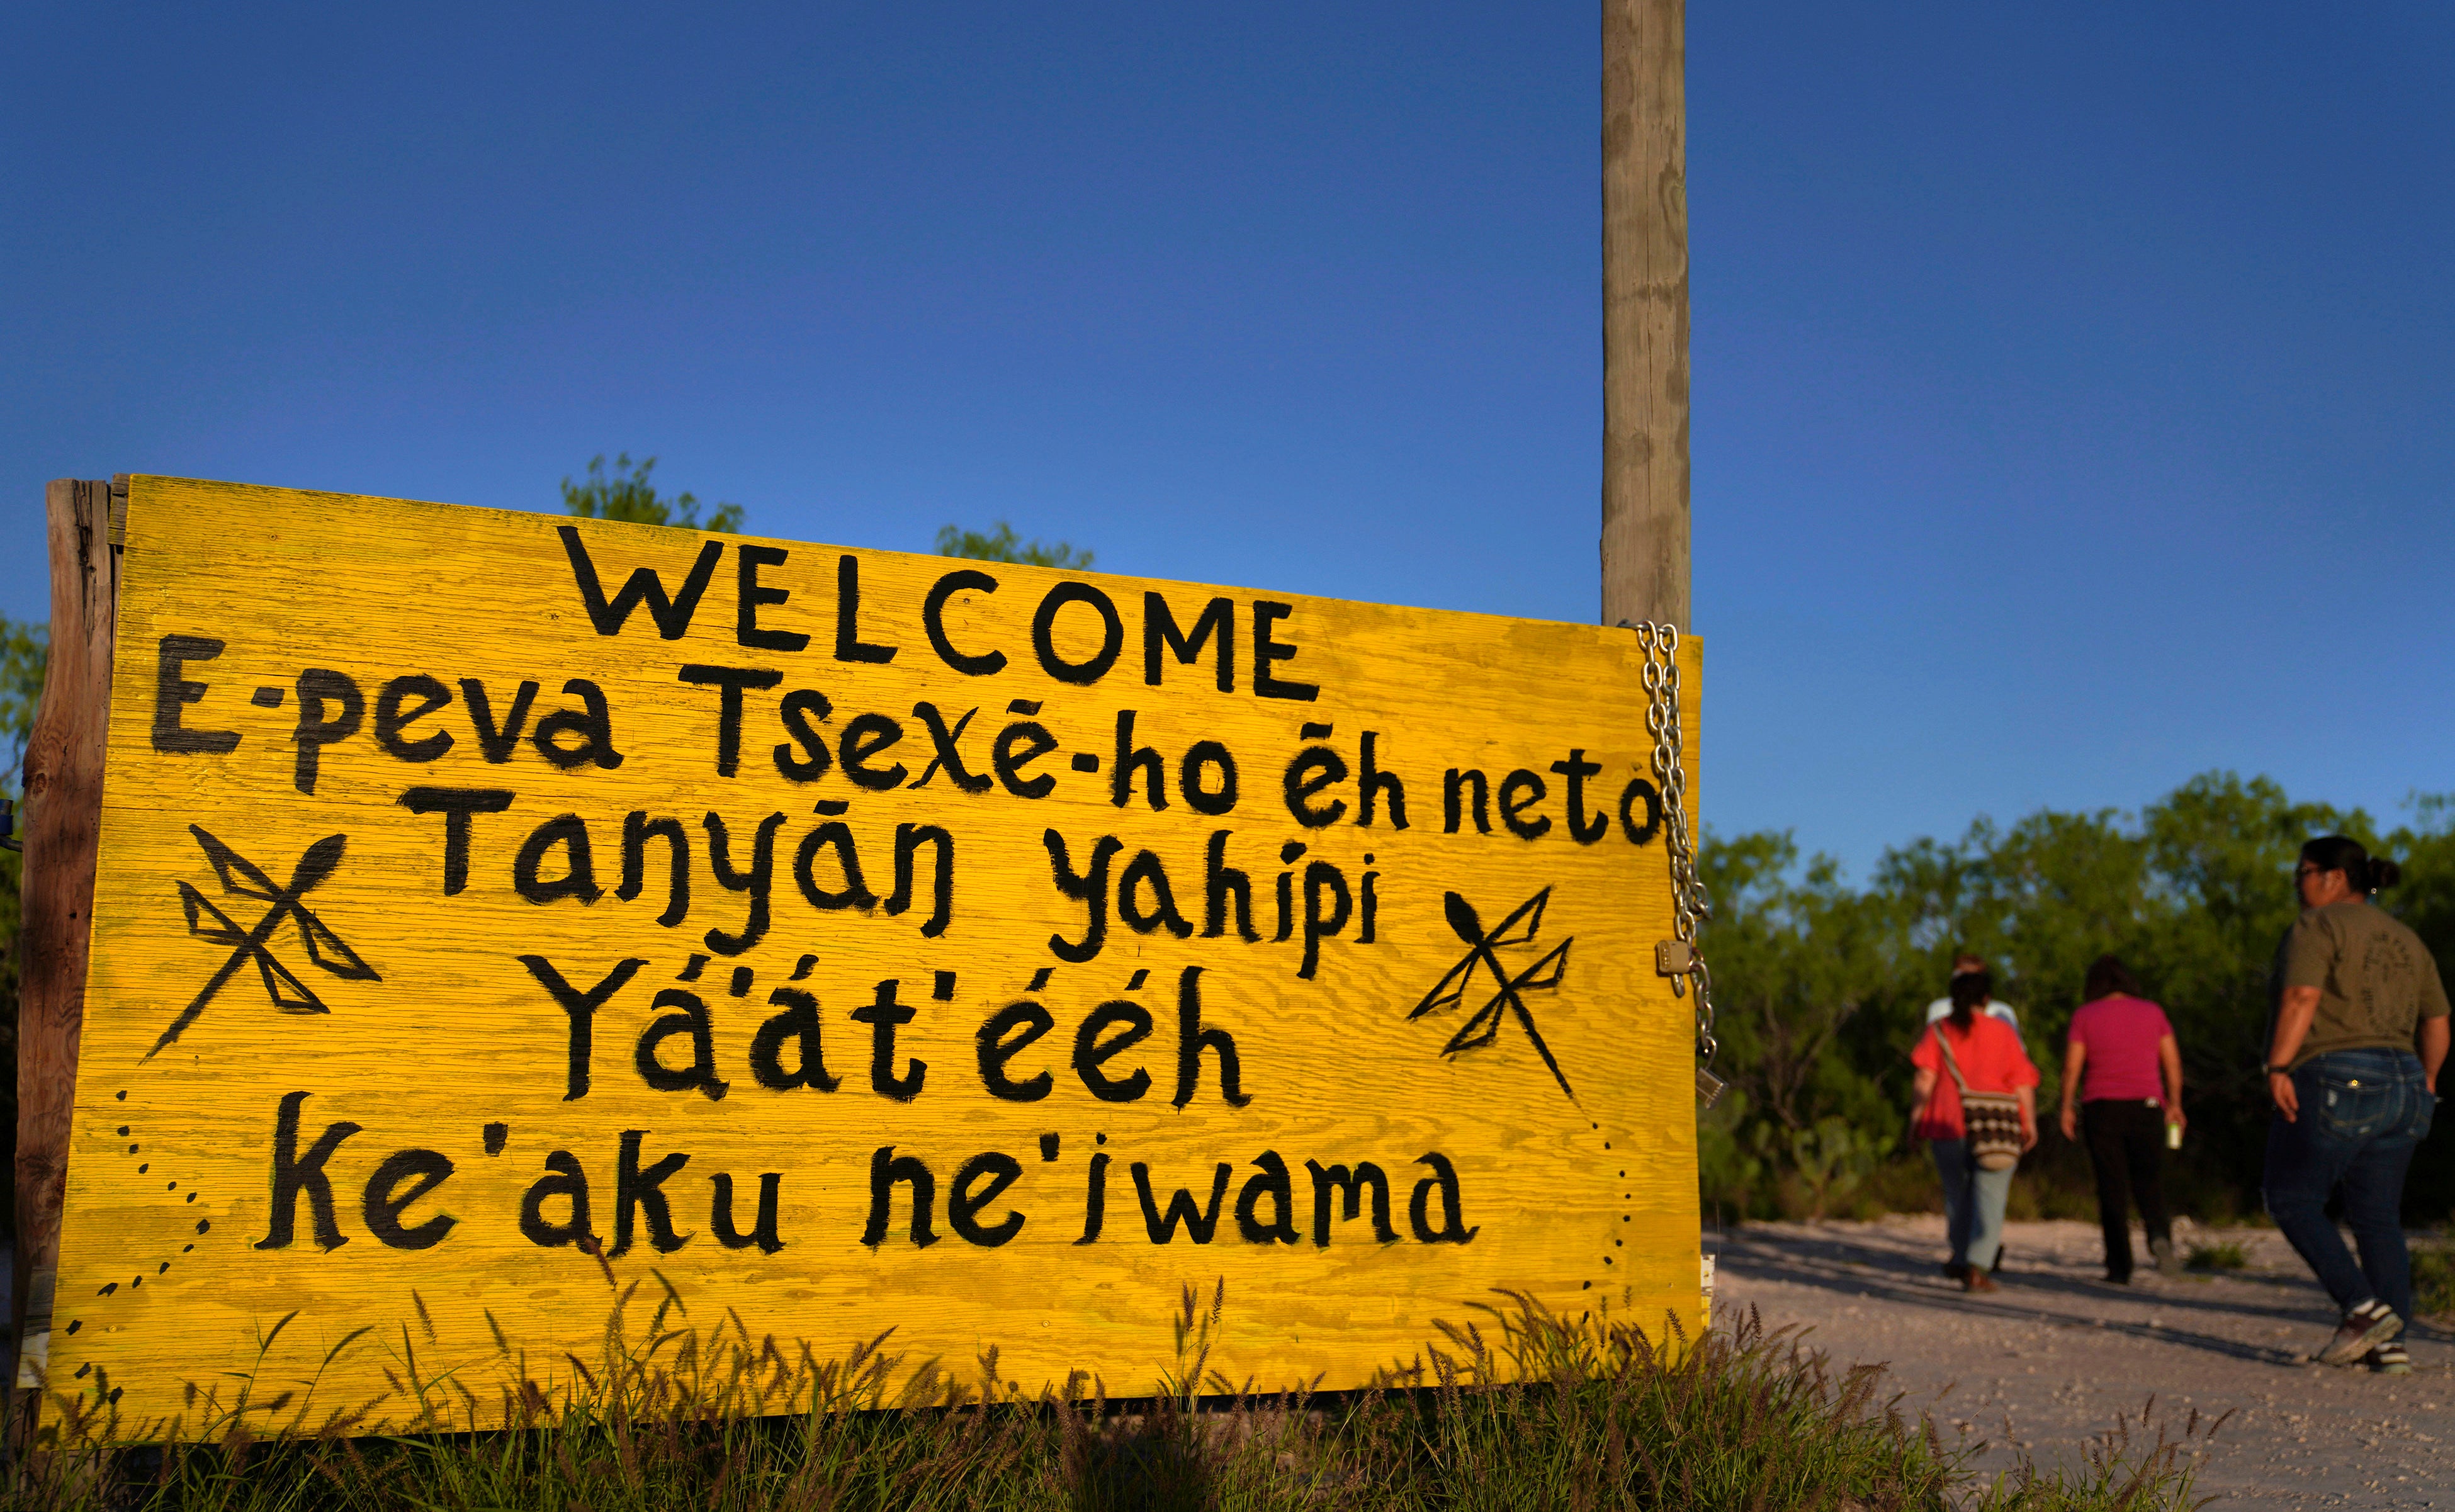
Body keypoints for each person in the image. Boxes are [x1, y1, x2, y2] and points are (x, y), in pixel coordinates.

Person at [2261, 836, 2449, 1375]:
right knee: (2378, 1217)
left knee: (2292, 1198)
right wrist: (2428, 1082)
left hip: (2336, 1073)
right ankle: (2391, 1345)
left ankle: (2363, 1311)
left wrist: (2278, 1066)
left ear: (2333, 879)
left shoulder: (2317, 928)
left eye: (2302, 872)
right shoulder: (2408, 939)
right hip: (2407, 1082)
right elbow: (2437, 1021)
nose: (2297, 883)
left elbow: (2302, 998)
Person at [1910, 971, 2041, 1291]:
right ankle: (1978, 1265)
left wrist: (1915, 1120)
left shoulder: (1939, 1030)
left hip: (1946, 1121)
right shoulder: (2003, 1032)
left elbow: (1925, 1079)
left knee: (1957, 1193)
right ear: (1987, 999)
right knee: (1992, 1195)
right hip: (1997, 1123)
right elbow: (2022, 1081)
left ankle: (1959, 1254)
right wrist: (2030, 1122)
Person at [2058, 954, 2183, 1284]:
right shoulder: (2152, 1012)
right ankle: (2159, 1236)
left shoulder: (2085, 1015)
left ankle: (2119, 1265)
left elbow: (2073, 1066)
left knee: (2111, 1187)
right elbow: (2171, 1062)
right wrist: (2175, 1104)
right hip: (2147, 1104)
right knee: (2150, 1179)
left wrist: (2067, 1106)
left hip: (2102, 1107)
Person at [1925, 952, 2022, 1034]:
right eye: (1963, 978)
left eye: (1974, 978)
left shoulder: (2003, 1013)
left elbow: (2016, 1052)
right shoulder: (1940, 1009)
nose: (1968, 984)